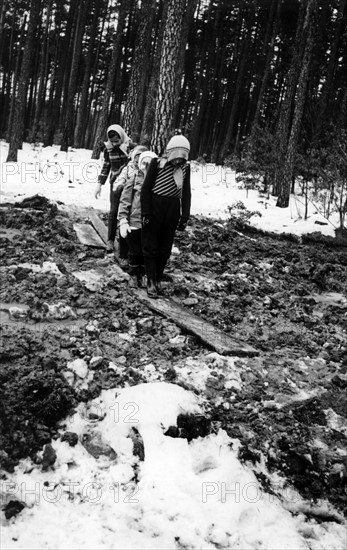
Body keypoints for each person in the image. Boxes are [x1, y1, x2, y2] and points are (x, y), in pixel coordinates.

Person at [140, 135, 191, 298]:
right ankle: (150, 279)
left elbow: (186, 192)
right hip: (155, 206)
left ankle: (158, 276)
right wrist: (146, 212)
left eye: (182, 158)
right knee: (151, 244)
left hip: (172, 209)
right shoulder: (157, 163)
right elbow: (146, 188)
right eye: (176, 157)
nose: (178, 161)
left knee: (165, 247)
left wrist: (185, 216)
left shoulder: (185, 168)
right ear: (170, 153)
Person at [94, 124, 132, 255]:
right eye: (112, 141)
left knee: (126, 213)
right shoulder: (108, 149)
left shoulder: (130, 147)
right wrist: (100, 183)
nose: (115, 144)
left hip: (128, 185)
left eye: (117, 141)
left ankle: (125, 244)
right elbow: (106, 166)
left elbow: (134, 162)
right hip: (115, 184)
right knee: (114, 211)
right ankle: (110, 240)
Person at [116, 145, 151, 279]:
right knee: (134, 251)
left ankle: (142, 275)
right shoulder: (134, 177)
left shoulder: (156, 181)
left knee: (145, 250)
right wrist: (123, 220)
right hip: (134, 221)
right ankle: (133, 274)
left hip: (149, 223)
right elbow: (125, 200)